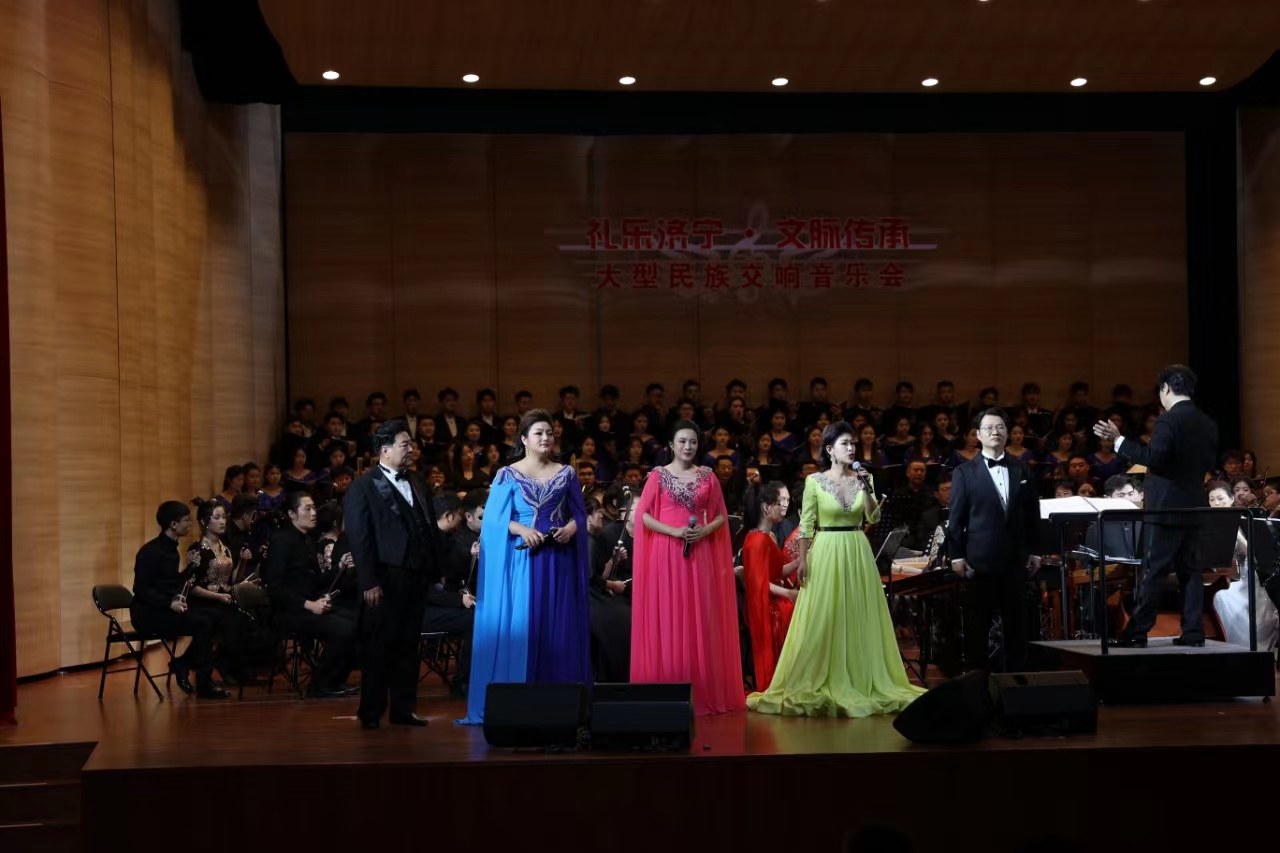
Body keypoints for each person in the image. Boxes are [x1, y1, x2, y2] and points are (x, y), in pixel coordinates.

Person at [748, 421, 924, 717]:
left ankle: (861, 677)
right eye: (845, 443)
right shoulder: (815, 481)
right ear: (829, 449)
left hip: (856, 549)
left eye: (853, 443)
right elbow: (807, 524)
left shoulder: (863, 479)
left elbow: (873, 516)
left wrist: (866, 488)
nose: (851, 448)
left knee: (857, 612)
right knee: (825, 614)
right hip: (827, 548)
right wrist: (804, 560)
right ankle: (820, 676)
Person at [460, 410, 592, 724]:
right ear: (524, 439)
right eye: (538, 433)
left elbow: (580, 514)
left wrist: (570, 528)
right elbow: (493, 520)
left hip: (557, 559)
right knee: (524, 625)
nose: (546, 438)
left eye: (549, 433)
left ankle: (560, 701)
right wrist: (520, 529)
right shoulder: (507, 474)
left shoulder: (566, 473)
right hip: (522, 560)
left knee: (557, 626)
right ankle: (519, 700)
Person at [1093, 365, 1219, 648]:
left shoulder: (1167, 420)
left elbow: (1155, 458)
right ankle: (1193, 633)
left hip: (1165, 509)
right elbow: (1209, 463)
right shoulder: (1207, 422)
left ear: (1165, 389)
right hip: (1195, 507)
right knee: (1191, 572)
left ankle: (1137, 632)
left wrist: (1119, 440)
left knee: (1154, 572)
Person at [631, 420, 744, 715]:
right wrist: (673, 531)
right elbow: (643, 516)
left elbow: (720, 516)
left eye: (693, 441)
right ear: (671, 444)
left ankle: (701, 690)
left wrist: (703, 532)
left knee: (700, 618)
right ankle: (668, 689)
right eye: (682, 441)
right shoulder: (657, 476)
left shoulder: (708, 476)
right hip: (666, 553)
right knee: (669, 615)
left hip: (700, 551)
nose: (688, 446)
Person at [345, 419, 444, 728]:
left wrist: (435, 569)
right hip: (384, 578)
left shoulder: (417, 480)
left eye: (411, 444)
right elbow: (359, 539)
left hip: (416, 576)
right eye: (405, 444)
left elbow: (427, 526)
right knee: (378, 647)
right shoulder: (362, 486)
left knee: (408, 645)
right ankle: (370, 712)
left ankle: (404, 710)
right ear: (385, 450)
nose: (411, 449)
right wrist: (369, 581)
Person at [947, 408, 1042, 671]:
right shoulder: (963, 472)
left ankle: (1017, 680)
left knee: (1017, 624)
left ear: (1007, 433)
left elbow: (1032, 514)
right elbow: (956, 520)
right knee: (978, 625)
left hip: (1015, 559)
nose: (995, 432)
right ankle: (977, 681)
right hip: (979, 561)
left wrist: (1035, 551)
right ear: (978, 435)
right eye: (988, 428)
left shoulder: (1022, 468)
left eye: (1000, 427)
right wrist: (957, 556)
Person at [129, 502, 230, 699]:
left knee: (218, 616)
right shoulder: (151, 551)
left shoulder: (171, 550)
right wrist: (169, 603)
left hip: (164, 609)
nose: (190, 524)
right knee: (203, 623)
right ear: (173, 524)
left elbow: (170, 582)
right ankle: (203, 683)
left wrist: (190, 570)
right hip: (148, 614)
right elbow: (141, 589)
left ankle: (183, 663)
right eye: (186, 521)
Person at [264, 492, 358, 698]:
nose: (314, 513)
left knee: (358, 620)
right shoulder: (282, 541)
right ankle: (321, 685)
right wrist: (309, 604)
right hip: (289, 612)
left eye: (314, 508)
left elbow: (315, 581)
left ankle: (335, 680)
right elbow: (275, 589)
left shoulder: (307, 540)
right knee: (344, 629)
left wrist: (339, 567)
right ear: (292, 514)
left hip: (308, 607)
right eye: (307, 509)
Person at [423, 490, 486, 697]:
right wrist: (459, 599)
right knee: (476, 619)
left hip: (435, 602)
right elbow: (426, 590)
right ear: (449, 516)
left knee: (477, 616)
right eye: (459, 515)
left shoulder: (442, 538)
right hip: (420, 610)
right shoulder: (428, 542)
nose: (461, 520)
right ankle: (462, 682)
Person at [741, 481, 800, 692]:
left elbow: (776, 572)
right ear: (767, 507)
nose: (785, 505)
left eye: (786, 500)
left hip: (774, 597)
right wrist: (789, 593)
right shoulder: (756, 540)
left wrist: (802, 560)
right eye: (780, 502)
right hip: (767, 605)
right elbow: (758, 583)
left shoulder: (767, 536)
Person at [185, 499, 252, 683]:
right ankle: (223, 666)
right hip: (203, 601)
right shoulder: (197, 549)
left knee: (245, 619)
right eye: (217, 517)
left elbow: (233, 580)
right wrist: (218, 596)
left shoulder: (225, 549)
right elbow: (191, 586)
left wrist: (243, 561)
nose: (222, 521)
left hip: (223, 599)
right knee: (229, 620)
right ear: (205, 521)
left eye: (224, 517)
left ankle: (229, 665)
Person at [587, 492, 633, 682]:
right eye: (597, 512)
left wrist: (613, 560)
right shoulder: (586, 542)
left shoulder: (594, 540)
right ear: (587, 517)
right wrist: (613, 585)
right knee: (622, 617)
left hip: (596, 593)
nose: (601, 515)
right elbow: (590, 579)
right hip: (588, 599)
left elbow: (599, 576)